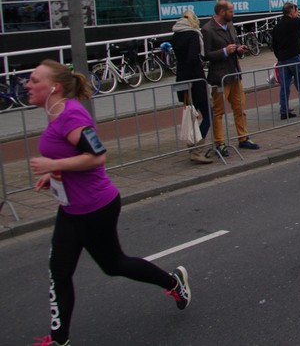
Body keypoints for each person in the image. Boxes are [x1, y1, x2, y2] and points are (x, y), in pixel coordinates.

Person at [27, 61, 191, 346]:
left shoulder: (71, 115)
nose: (27, 85)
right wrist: (53, 175)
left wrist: (53, 165)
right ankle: (59, 340)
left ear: (53, 87)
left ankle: (173, 282)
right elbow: (68, 153)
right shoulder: (55, 112)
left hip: (96, 208)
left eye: (34, 80)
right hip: (70, 209)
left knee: (114, 265)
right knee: (59, 273)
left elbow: (97, 156)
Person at [202, 1, 259, 156]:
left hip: (234, 73)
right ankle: (219, 143)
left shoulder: (230, 25)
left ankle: (243, 137)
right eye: (231, 11)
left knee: (240, 107)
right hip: (220, 76)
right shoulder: (207, 29)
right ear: (222, 12)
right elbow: (206, 54)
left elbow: (236, 43)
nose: (233, 14)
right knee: (218, 111)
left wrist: (239, 49)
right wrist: (224, 51)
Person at [171, 10, 212, 164]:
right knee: (208, 115)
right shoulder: (193, 35)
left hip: (182, 79)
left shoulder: (176, 35)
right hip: (195, 81)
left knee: (191, 115)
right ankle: (196, 148)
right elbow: (193, 58)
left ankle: (193, 145)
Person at [271, 2, 300, 120]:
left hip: (282, 59)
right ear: (291, 12)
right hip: (294, 57)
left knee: (284, 86)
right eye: (296, 10)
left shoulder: (277, 26)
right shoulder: (292, 23)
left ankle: (284, 111)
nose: (297, 13)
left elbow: (274, 44)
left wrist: (279, 56)